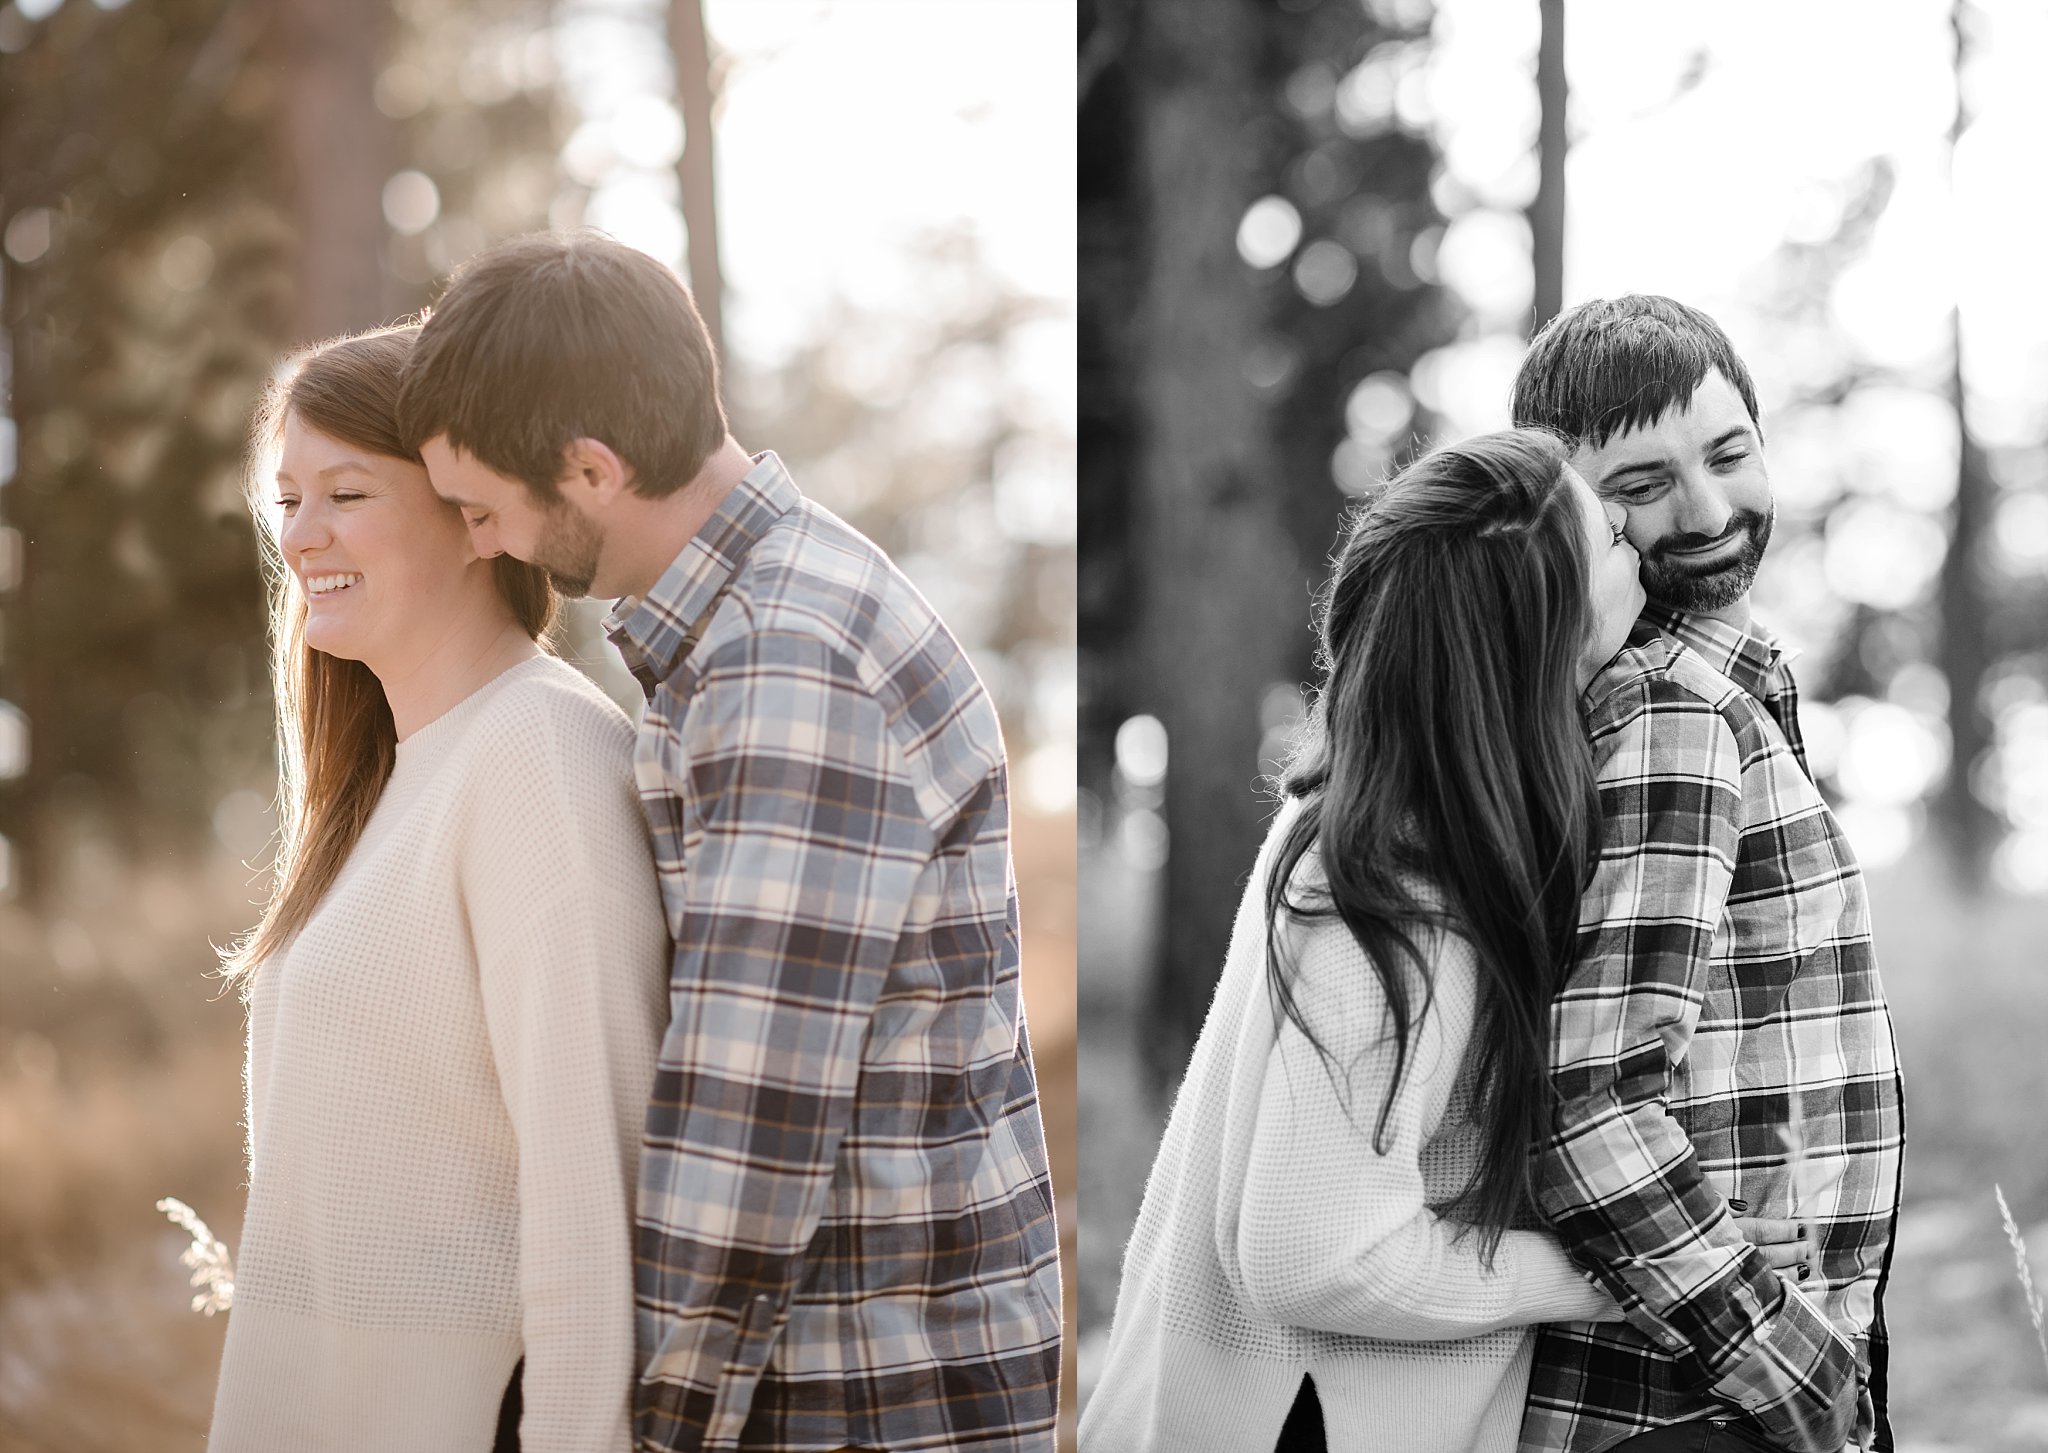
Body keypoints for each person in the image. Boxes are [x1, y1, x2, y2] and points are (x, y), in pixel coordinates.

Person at [395, 231, 1063, 1453]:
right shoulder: (759, 623)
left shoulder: (785, 665)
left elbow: (749, 1140)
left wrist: (648, 1432)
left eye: (486, 510)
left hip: (861, 1396)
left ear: (589, 469)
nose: (480, 546)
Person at [1080, 431, 1807, 1453]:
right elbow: (1312, 1253)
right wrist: (1598, 1277)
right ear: (1542, 629)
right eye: (1605, 534)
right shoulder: (1395, 882)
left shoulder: (1375, 814)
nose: (1637, 543)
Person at [208, 325, 672, 1451]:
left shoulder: (539, 756)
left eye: (346, 493)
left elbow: (586, 1196)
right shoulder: (389, 779)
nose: (301, 538)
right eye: (287, 502)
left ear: (473, 515)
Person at [1511, 295, 1905, 1453]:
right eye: (1638, 486)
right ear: (1565, 511)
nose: (1707, 509)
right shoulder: (1670, 715)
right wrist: (1803, 1381)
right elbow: (1586, 1104)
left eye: (1727, 453)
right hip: (1692, 1403)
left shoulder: (1726, 689)